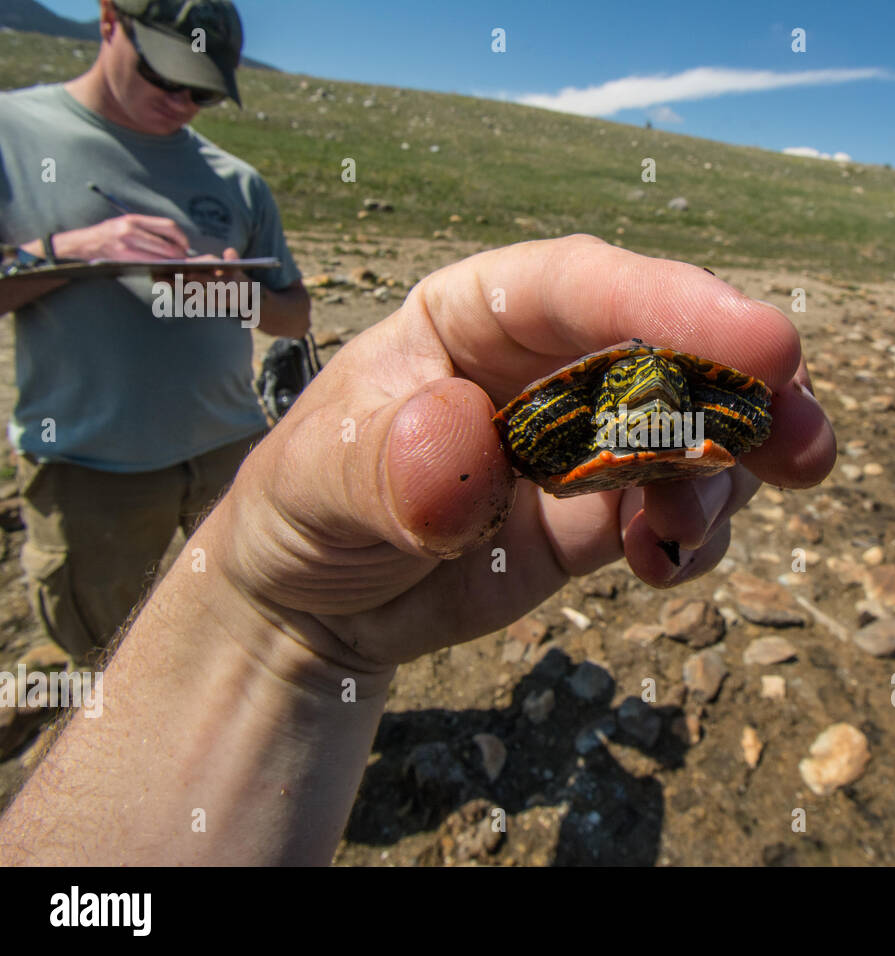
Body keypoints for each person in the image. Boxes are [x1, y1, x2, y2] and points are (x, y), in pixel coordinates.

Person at [0, 235, 837, 865]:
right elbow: (528, 433)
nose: (644, 384)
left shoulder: (710, 408)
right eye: (634, 378)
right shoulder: (580, 407)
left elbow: (750, 420)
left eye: (655, 384)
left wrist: (279, 637)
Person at [0, 0, 310, 663]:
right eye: (167, 77)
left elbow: (293, 314)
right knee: (106, 644)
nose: (184, 102)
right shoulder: (13, 135)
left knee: (252, 617)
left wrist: (235, 294)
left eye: (204, 91)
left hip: (229, 446)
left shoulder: (236, 181)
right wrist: (73, 249)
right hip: (92, 465)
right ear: (110, 21)